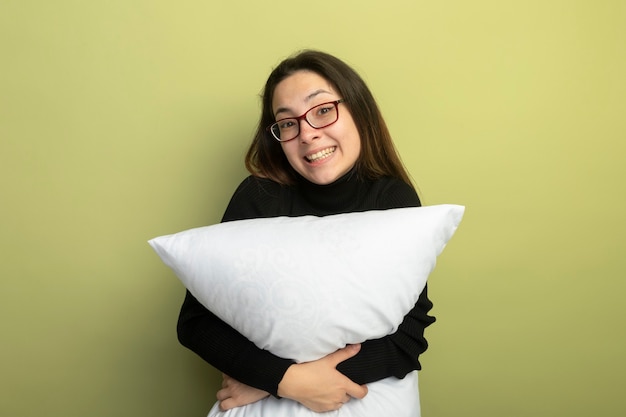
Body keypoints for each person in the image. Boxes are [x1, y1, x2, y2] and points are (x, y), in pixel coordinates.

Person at [177, 50, 436, 413]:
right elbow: (195, 323)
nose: (308, 135)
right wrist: (283, 381)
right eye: (287, 123)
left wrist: (287, 382)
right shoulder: (259, 196)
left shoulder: (392, 197)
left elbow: (408, 337)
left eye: (323, 110)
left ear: (359, 112)